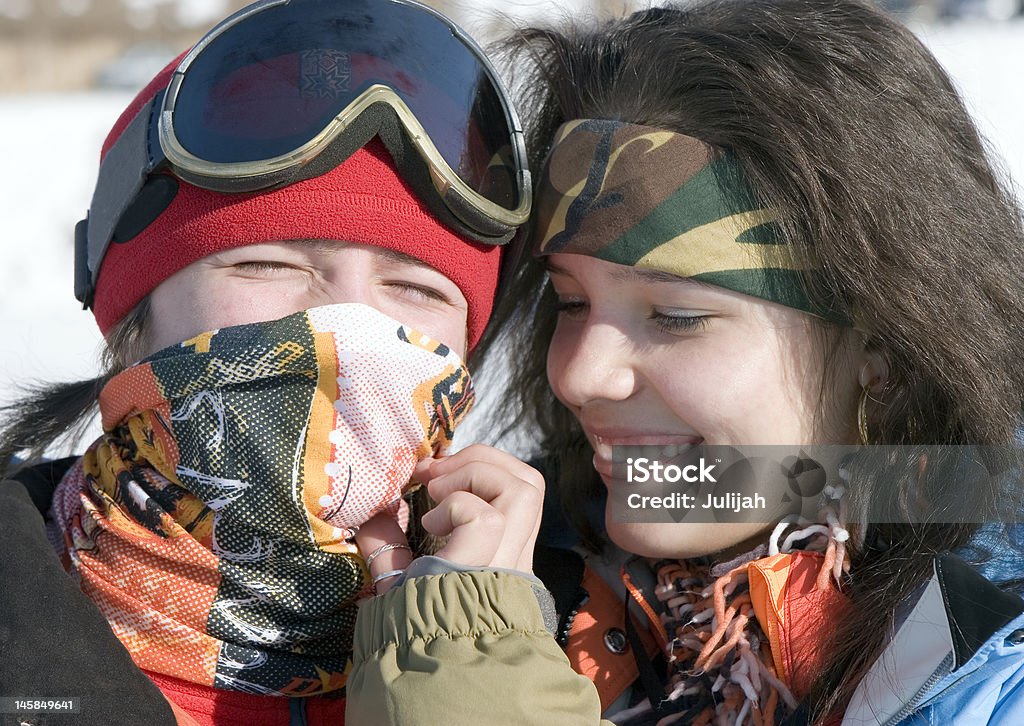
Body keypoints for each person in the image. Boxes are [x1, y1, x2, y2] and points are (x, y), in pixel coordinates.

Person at [347, 0, 1024, 723]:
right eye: (571, 304)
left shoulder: (988, 668)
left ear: (881, 346)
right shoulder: (486, 581)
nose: (578, 375)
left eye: (677, 316)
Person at [0, 1, 543, 724]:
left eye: (415, 287)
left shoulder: (584, 650)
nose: (352, 325)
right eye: (264, 264)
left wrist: (473, 662)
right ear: (131, 326)